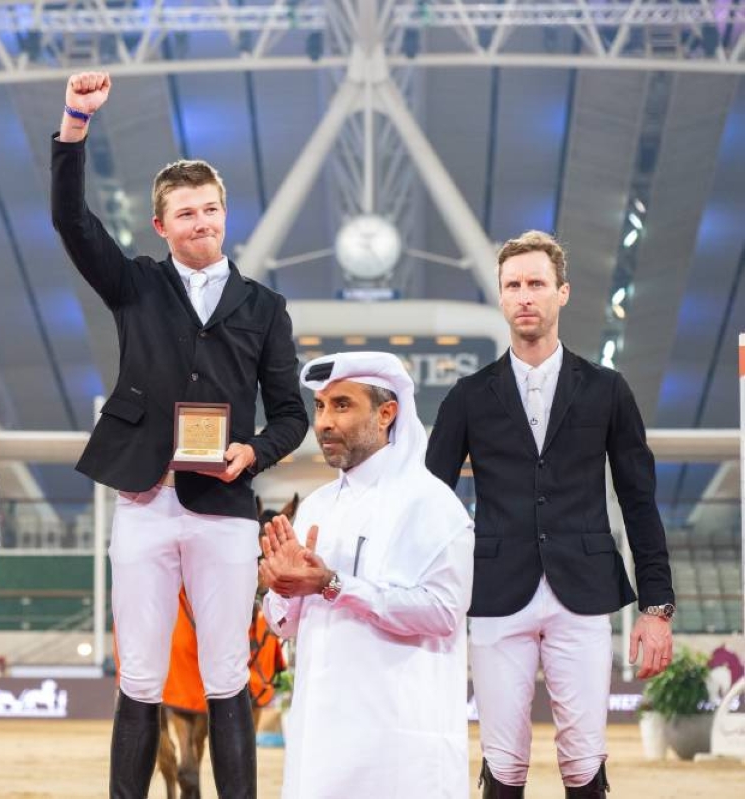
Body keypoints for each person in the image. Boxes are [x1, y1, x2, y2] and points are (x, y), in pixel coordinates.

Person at [51, 71, 308, 798]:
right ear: (161, 226)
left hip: (225, 506)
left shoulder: (264, 307)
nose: (201, 222)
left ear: (225, 213)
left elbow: (291, 413)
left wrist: (254, 450)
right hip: (144, 499)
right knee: (138, 677)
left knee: (228, 678)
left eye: (210, 209)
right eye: (186, 213)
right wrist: (75, 122)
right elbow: (70, 220)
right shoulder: (133, 284)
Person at [426, 230, 675, 798]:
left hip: (584, 592)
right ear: (501, 296)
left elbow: (639, 501)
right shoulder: (467, 395)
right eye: (513, 285)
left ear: (563, 292)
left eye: (536, 283)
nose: (524, 296)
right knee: (503, 762)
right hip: (496, 593)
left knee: (585, 761)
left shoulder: (608, 390)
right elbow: (430, 501)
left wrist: (656, 607)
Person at [260, 351, 474, 798]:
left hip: (399, 751)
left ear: (386, 413)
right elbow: (286, 625)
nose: (324, 423)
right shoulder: (316, 507)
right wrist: (281, 588)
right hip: (320, 746)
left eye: (342, 405)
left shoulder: (431, 504)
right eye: (320, 406)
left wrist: (333, 584)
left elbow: (443, 612)